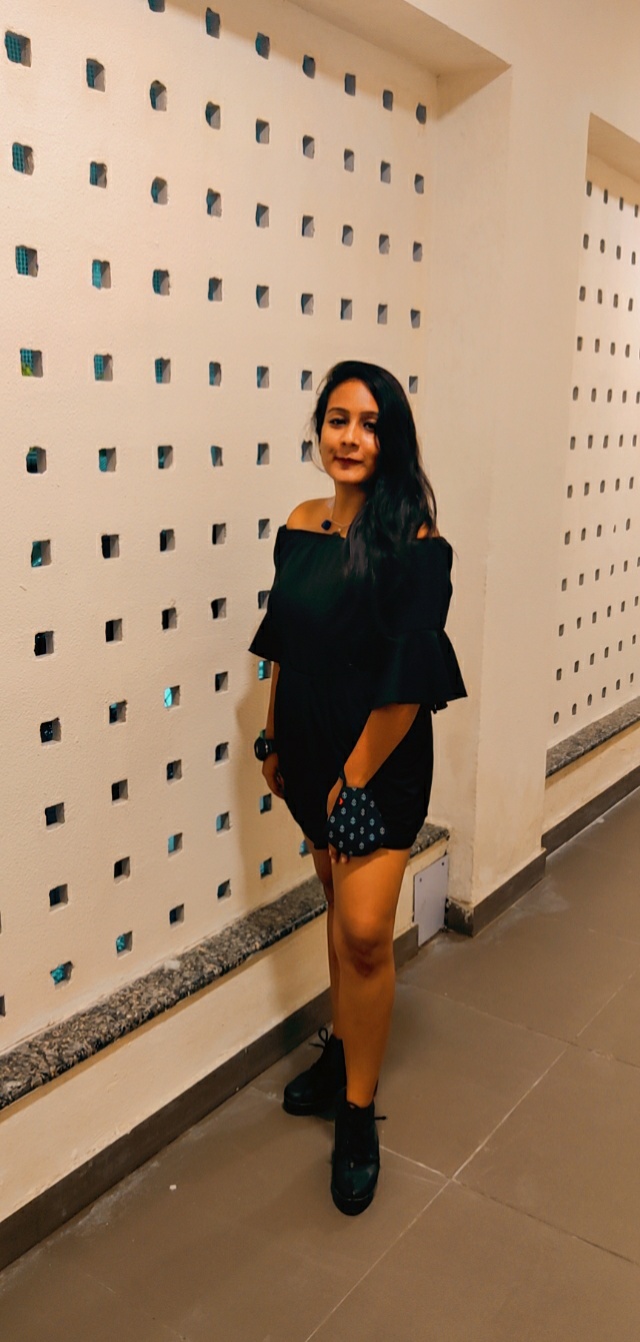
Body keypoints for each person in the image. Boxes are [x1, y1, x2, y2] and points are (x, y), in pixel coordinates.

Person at [248, 359, 467, 1216]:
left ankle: (357, 1112)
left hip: (377, 758)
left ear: (392, 439)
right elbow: (285, 641)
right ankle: (343, 1049)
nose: (350, 437)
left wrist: (352, 777)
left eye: (370, 424)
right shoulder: (300, 524)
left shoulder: (417, 542)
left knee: (368, 933)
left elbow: (408, 684)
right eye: (338, 419)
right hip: (309, 750)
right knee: (338, 909)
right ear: (320, 430)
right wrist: (274, 734)